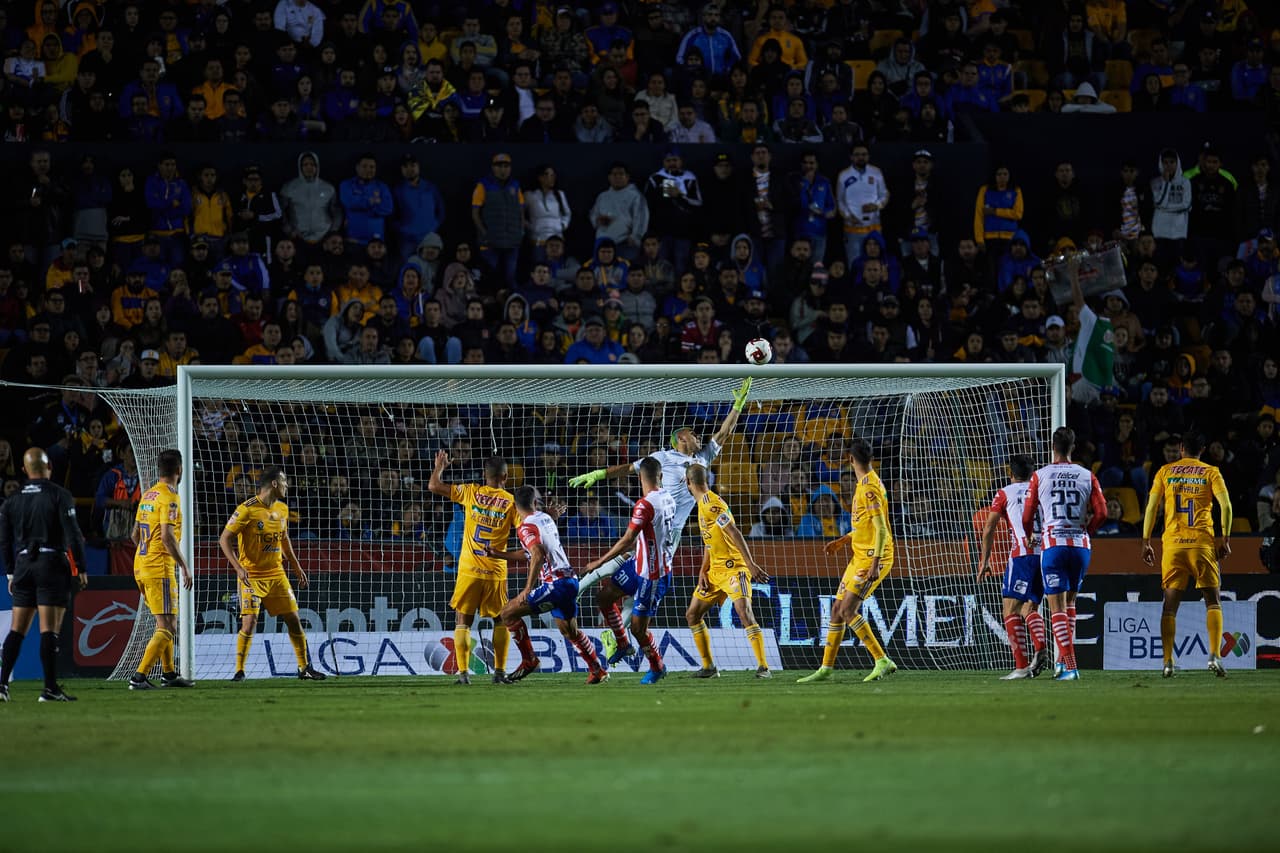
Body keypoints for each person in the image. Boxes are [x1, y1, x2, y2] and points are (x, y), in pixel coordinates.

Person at [569, 378, 753, 601]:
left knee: (639, 567)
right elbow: (629, 468)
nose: (697, 435)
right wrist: (599, 474)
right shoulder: (662, 457)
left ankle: (594, 598)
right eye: (692, 433)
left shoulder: (702, 459)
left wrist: (737, 407)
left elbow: (724, 433)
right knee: (636, 562)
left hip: (674, 529)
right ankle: (586, 590)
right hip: (656, 519)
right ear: (680, 438)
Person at [796, 438, 898, 684]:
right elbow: (866, 526)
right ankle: (826, 668)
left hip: (875, 557)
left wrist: (874, 563)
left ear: (850, 459)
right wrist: (844, 540)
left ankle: (882, 660)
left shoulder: (869, 487)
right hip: (859, 555)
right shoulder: (865, 483)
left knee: (847, 610)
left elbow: (881, 529)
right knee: (836, 610)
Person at [486, 486, 607, 685]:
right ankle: (597, 670)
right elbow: (530, 552)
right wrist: (498, 554)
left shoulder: (525, 527)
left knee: (507, 613)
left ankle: (529, 660)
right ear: (535, 503)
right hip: (570, 582)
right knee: (570, 631)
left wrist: (527, 589)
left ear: (515, 506)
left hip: (555, 584)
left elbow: (538, 554)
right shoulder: (545, 518)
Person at [218, 466, 326, 682]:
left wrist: (296, 567)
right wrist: (238, 568)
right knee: (249, 622)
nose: (287, 486)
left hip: (276, 574)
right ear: (274, 484)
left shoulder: (282, 509)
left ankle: (304, 668)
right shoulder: (246, 509)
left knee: (294, 619)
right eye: (284, 482)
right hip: (251, 575)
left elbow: (284, 539)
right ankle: (239, 670)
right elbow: (224, 539)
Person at [427, 450, 523, 685]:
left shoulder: (471, 492)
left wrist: (440, 466)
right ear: (506, 477)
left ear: (484, 475)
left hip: (469, 569)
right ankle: (499, 673)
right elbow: (526, 530)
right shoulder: (511, 502)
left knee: (463, 621)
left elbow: (433, 485)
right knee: (501, 620)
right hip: (495, 571)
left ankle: (463, 675)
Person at [1141, 432, 1233, 678]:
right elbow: (1226, 506)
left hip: (1173, 546)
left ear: (1181, 449)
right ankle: (1214, 655)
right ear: (1202, 450)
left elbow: (1152, 507)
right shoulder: (1211, 472)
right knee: (1213, 601)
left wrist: (1145, 540)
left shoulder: (1165, 472)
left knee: (1169, 607)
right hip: (1202, 544)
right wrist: (1225, 538)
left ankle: (1168, 661)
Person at [0, 447, 87, 702]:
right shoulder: (59, 495)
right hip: (51, 563)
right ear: (49, 468)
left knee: (17, 630)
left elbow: (4, 541)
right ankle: (49, 689)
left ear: (25, 470)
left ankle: (2, 685)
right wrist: (80, 566)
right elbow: (73, 534)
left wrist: (9, 573)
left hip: (23, 565)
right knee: (49, 629)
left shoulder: (12, 499)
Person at [1022, 427, 1106, 681]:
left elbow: (1027, 515)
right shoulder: (1087, 475)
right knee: (1070, 604)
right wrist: (1086, 530)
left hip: (1054, 545)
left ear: (1052, 446)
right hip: (1080, 546)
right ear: (1073, 447)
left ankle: (1070, 666)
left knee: (1056, 606)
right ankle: (1061, 663)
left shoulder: (1040, 475)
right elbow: (1102, 513)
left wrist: (1028, 534)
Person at [582, 457, 675, 684]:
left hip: (652, 575)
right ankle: (622, 643)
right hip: (639, 564)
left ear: (639, 477)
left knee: (638, 629)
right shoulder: (668, 497)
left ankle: (657, 665)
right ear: (660, 476)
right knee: (604, 597)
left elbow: (627, 540)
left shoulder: (645, 504)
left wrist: (599, 562)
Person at [683, 464, 771, 678]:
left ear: (688, 483)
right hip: (715, 572)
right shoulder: (702, 504)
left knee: (744, 612)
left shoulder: (712, 504)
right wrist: (703, 570)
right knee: (693, 614)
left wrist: (750, 564)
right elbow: (709, 541)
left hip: (733, 568)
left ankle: (764, 667)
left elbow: (733, 531)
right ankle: (709, 667)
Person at [976, 455, 1050, 680]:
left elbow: (989, 528)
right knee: (1029, 609)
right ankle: (1040, 646)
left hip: (1022, 556)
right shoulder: (1042, 490)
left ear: (1011, 473)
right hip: (1046, 554)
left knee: (1009, 609)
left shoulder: (1005, 492)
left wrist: (984, 560)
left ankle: (1021, 666)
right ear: (1032, 473)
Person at [126, 449, 194, 690]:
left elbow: (134, 534)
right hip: (159, 568)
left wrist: (146, 553)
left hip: (141, 565)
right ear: (179, 470)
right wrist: (184, 566)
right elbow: (167, 537)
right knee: (169, 627)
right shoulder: (170, 497)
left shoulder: (148, 494)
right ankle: (139, 677)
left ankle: (168, 674)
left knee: (163, 623)